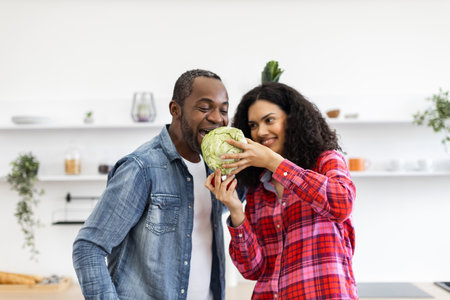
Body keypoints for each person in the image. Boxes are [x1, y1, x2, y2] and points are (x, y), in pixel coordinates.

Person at [73, 69, 231, 300]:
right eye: (205, 108)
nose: (218, 118)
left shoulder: (216, 167)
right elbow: (89, 247)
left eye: (224, 109)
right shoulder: (141, 167)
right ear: (175, 109)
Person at [206, 82, 358, 299]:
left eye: (269, 120)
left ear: (292, 120)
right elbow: (252, 269)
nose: (261, 132)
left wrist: (275, 163)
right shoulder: (259, 189)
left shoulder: (326, 161)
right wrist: (236, 211)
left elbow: (341, 204)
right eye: (253, 125)